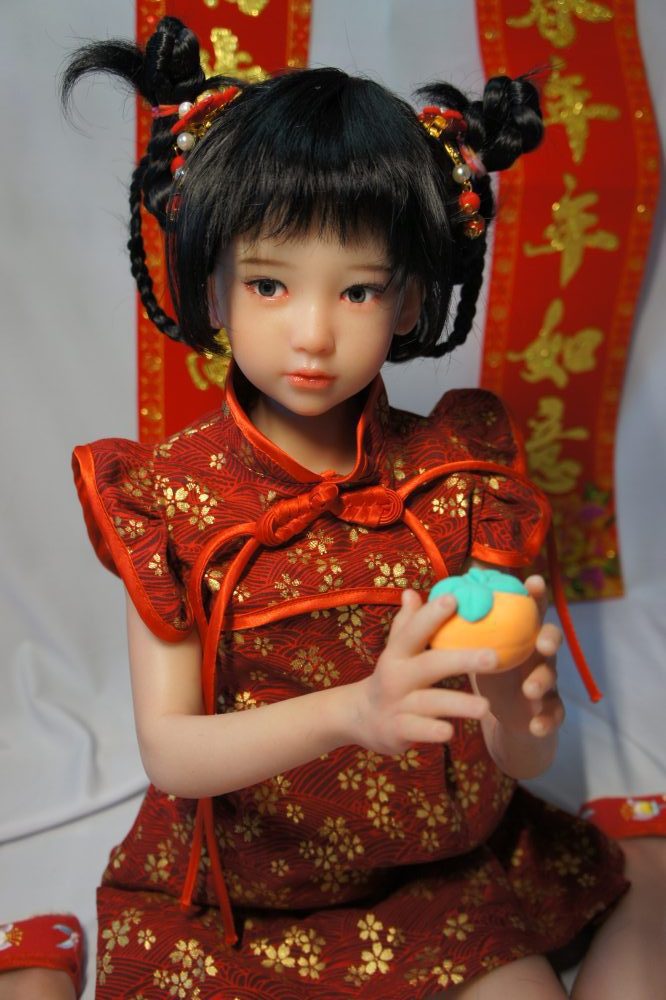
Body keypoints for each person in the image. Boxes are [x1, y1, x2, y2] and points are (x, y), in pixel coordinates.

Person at [5, 14, 665, 999]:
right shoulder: (172, 497)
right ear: (215, 290)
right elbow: (171, 751)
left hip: (435, 866)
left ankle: (645, 863)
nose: (312, 333)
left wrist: (521, 708)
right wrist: (356, 711)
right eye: (270, 283)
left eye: (357, 292)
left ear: (409, 303)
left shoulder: (458, 481)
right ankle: (37, 964)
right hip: (251, 880)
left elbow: (519, 753)